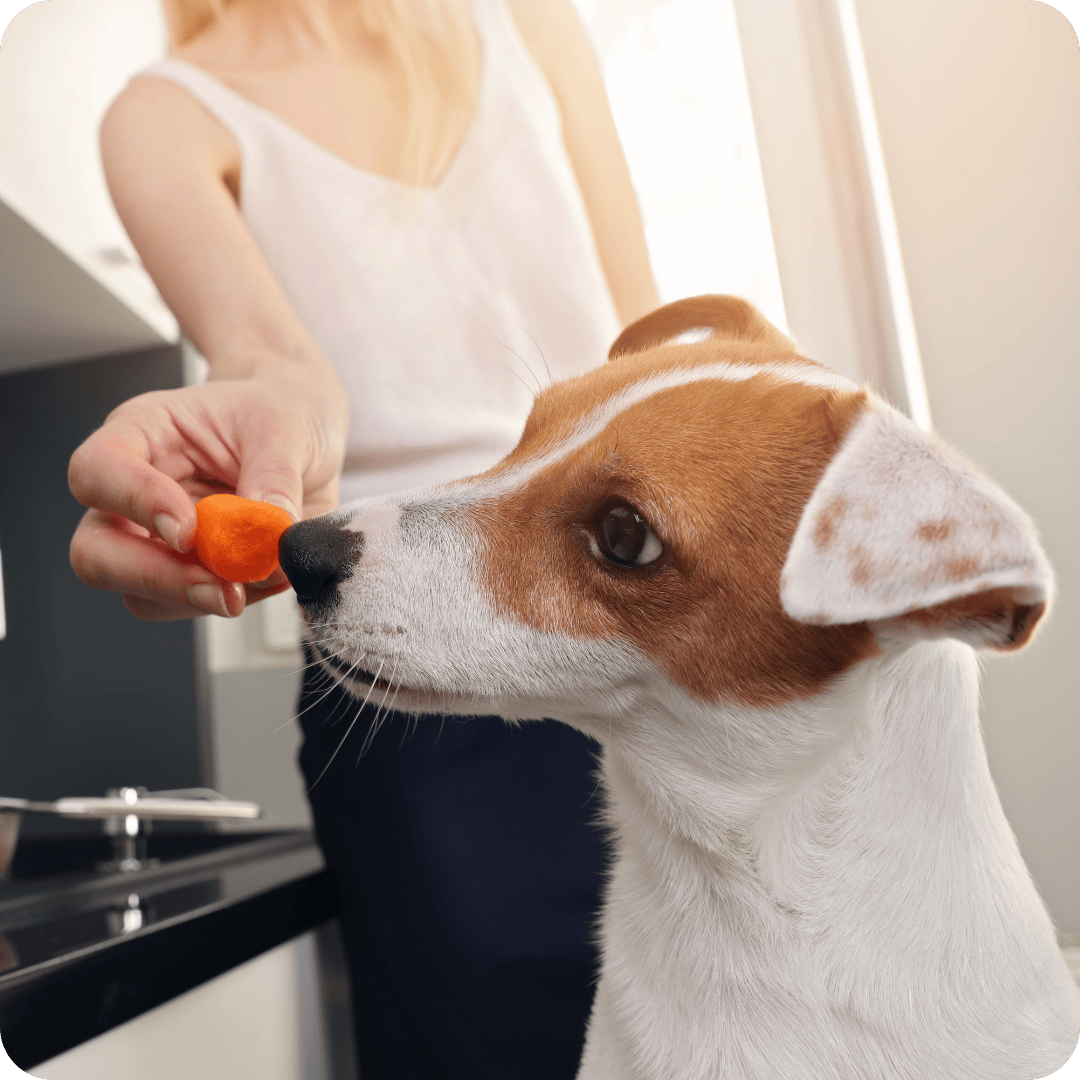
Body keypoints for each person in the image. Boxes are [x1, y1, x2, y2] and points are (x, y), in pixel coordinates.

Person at [68, 1, 658, 1076]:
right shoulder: (164, 115)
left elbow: (650, 356)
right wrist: (281, 428)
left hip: (634, 646)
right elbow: (270, 356)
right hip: (408, 691)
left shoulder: (530, 21)